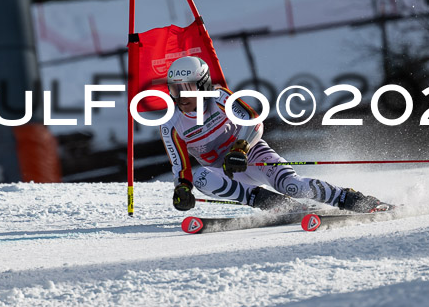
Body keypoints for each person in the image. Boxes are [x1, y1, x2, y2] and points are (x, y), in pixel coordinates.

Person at [160, 56, 392, 213]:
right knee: (201, 178)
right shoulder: (171, 124)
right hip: (225, 171)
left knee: (294, 186)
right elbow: (181, 166)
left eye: (186, 88)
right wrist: (182, 189)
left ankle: (352, 199)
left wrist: (241, 148)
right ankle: (272, 203)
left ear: (203, 85)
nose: (180, 96)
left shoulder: (220, 98)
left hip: (250, 155)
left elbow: (254, 122)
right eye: (174, 89)